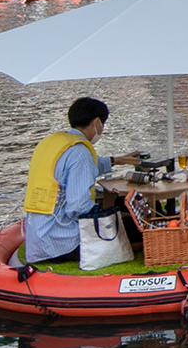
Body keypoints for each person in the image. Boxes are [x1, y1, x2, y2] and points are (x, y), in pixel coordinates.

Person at [21, 96, 136, 264]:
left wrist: (117, 160)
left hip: (38, 239)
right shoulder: (81, 153)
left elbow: (77, 168)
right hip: (63, 243)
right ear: (96, 122)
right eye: (103, 124)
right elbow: (79, 207)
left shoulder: (53, 142)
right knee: (133, 227)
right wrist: (113, 215)